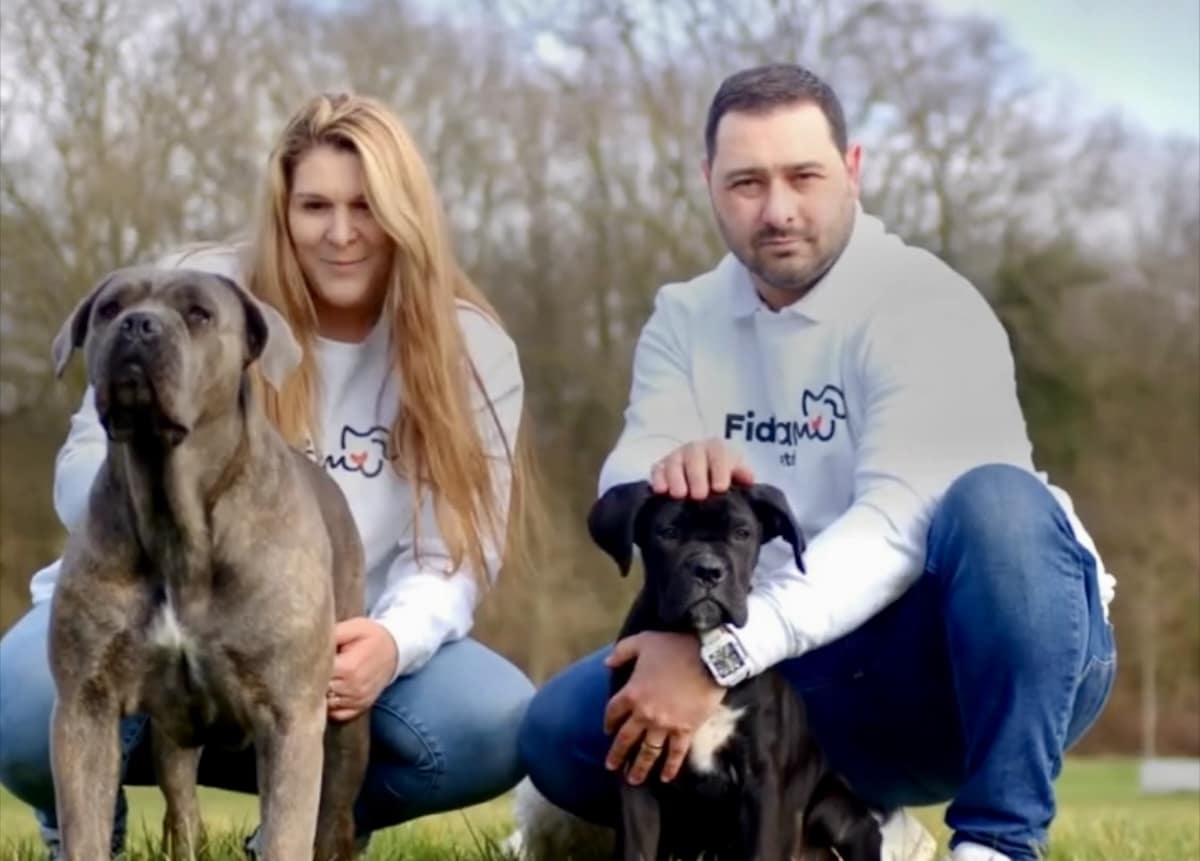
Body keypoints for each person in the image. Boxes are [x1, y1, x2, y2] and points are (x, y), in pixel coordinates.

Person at [517, 63, 1116, 861]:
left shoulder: (927, 305)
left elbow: (895, 527)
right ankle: (847, 821)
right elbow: (632, 482)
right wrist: (668, 469)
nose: (778, 210)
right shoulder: (684, 316)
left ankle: (996, 842)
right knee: (561, 731)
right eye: (745, 183)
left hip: (968, 667)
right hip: (793, 674)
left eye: (804, 175)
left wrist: (719, 654)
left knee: (998, 505)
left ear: (853, 170)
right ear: (707, 183)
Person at [0, 91, 542, 855]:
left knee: (494, 719)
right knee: (21, 700)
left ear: (409, 215)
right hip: (137, 595)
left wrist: (391, 639)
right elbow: (85, 453)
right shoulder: (196, 291)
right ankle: (85, 826)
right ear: (282, 210)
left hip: (333, 652)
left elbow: (458, 548)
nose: (342, 233)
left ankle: (310, 826)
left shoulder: (471, 350)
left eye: (368, 206)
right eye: (315, 205)